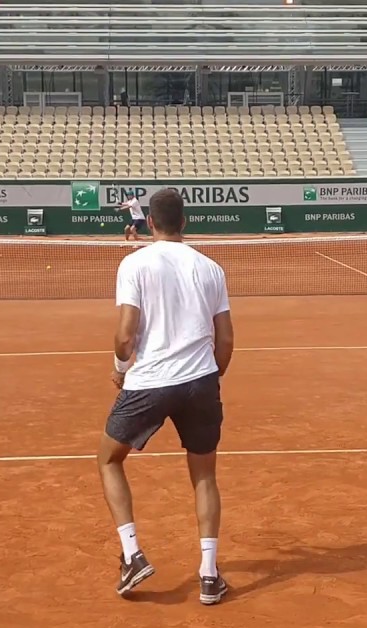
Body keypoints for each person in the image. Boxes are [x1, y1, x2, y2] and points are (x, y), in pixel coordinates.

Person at [98, 188, 235, 606]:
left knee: (108, 459)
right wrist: (209, 380)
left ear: (150, 223)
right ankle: (209, 575)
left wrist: (121, 371)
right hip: (201, 381)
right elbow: (226, 339)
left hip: (151, 381)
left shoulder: (134, 263)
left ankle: (133, 554)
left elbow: (125, 336)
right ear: (185, 222)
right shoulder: (211, 268)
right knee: (205, 476)